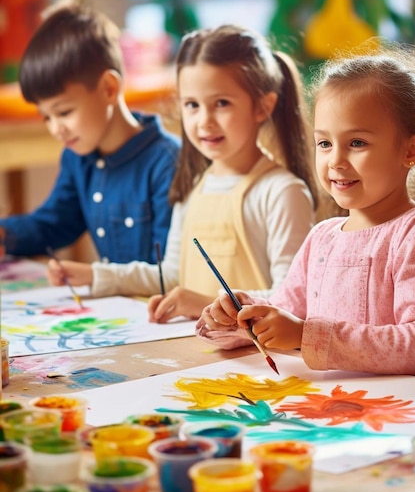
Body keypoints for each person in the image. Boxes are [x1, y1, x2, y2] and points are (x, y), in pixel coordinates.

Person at [196, 43, 415, 379]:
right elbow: (287, 310)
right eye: (324, 143)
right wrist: (240, 314)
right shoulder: (322, 238)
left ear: (411, 150)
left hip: (413, 418)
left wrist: (304, 335)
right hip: (344, 411)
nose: (336, 161)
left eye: (357, 143)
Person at [47, 24, 318, 321]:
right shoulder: (193, 186)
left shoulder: (282, 192)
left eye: (222, 104)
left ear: (263, 107)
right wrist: (95, 275)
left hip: (252, 362)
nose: (204, 121)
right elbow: (172, 275)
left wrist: (204, 304)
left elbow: (291, 298)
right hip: (193, 353)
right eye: (192, 105)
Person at [0, 0, 180, 264]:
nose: (56, 129)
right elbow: (54, 224)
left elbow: (169, 271)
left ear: (108, 88)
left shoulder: (167, 163)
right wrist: (5, 234)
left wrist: (96, 278)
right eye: (46, 117)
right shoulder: (78, 158)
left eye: (64, 112)